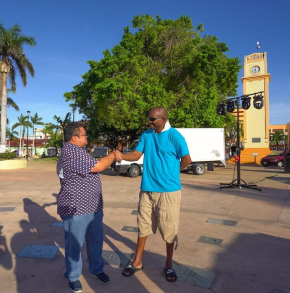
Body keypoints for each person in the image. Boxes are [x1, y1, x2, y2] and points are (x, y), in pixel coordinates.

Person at [119, 106, 192, 282]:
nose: (149, 122)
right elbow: (136, 155)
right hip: (147, 190)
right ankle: (137, 262)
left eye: (153, 119)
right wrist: (120, 156)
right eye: (149, 119)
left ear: (163, 119)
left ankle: (168, 265)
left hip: (169, 192)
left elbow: (187, 159)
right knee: (142, 226)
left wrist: (173, 174)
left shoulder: (175, 136)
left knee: (169, 229)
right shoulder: (147, 135)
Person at [56, 122, 121, 293]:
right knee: (74, 244)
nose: (87, 137)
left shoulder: (79, 151)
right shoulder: (72, 153)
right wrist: (114, 155)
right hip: (76, 208)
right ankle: (73, 276)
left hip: (92, 207)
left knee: (95, 240)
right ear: (74, 138)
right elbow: (99, 166)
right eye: (84, 135)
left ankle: (96, 269)